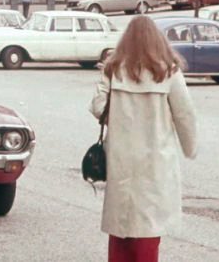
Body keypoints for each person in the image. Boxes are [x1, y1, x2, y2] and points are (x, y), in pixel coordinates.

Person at [90, 16, 198, 262]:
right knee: (148, 229)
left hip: (121, 158)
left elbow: (98, 107)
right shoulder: (169, 72)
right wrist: (190, 148)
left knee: (121, 228)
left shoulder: (113, 69)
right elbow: (185, 114)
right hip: (155, 160)